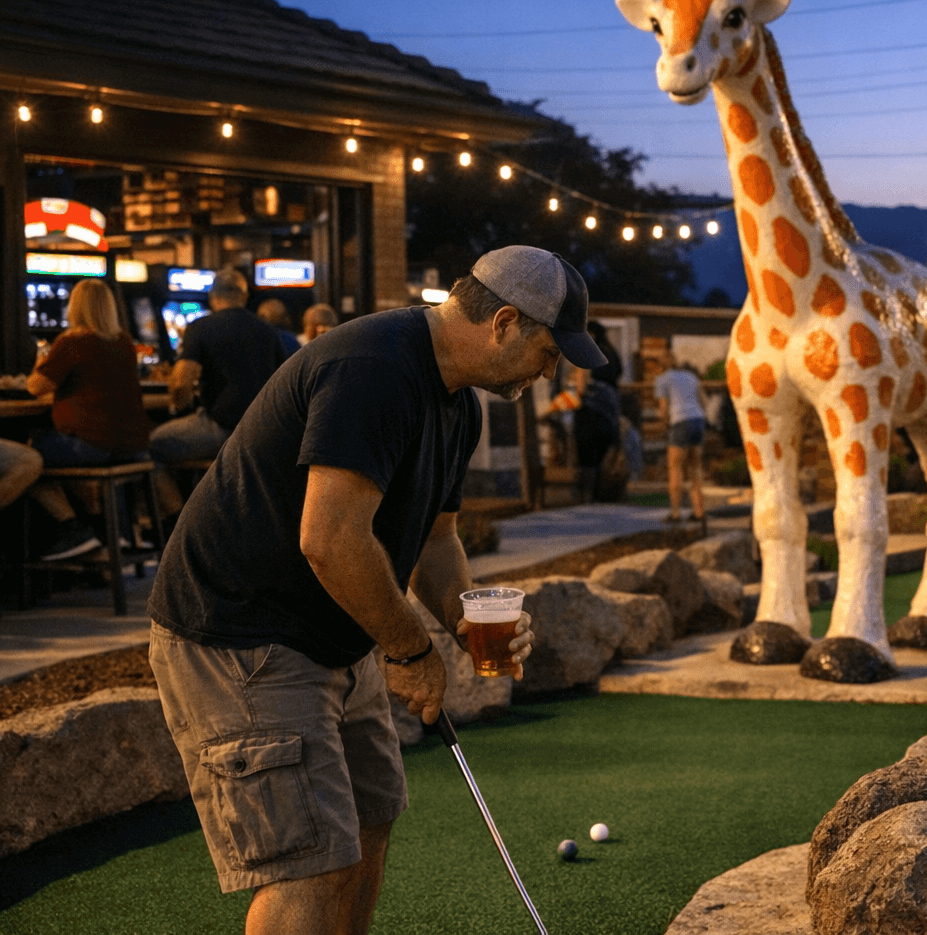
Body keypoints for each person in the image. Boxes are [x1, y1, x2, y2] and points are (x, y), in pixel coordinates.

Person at [146, 245, 608, 933]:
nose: (552, 371)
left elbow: (437, 540)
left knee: (368, 823)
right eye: (550, 352)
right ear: (505, 323)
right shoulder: (374, 368)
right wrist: (408, 648)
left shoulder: (460, 405)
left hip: (332, 631)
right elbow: (329, 538)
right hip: (241, 634)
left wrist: (465, 622)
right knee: (310, 861)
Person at [25, 278, 152, 560]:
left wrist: (40, 362)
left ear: (75, 307)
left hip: (94, 444)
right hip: (133, 446)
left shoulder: (73, 342)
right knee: (75, 456)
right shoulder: (124, 342)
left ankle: (74, 531)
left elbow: (35, 386)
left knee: (29, 459)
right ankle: (115, 534)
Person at [149, 268, 285, 522]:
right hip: (265, 432)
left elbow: (180, 382)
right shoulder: (267, 330)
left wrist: (180, 406)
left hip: (221, 428)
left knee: (152, 446)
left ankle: (178, 524)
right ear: (244, 297)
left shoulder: (200, 327)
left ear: (213, 298)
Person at [539, 365, 621, 503]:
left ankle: (589, 494)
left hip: (593, 430)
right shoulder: (602, 390)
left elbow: (558, 406)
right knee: (592, 462)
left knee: (588, 462)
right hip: (601, 431)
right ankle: (591, 494)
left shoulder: (585, 391)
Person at [654, 348, 706, 522]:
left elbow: (663, 410)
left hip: (680, 423)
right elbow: (703, 401)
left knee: (675, 469)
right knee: (694, 469)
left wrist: (664, 426)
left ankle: (675, 513)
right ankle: (699, 512)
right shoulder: (690, 376)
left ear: (660, 366)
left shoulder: (662, 380)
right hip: (698, 420)